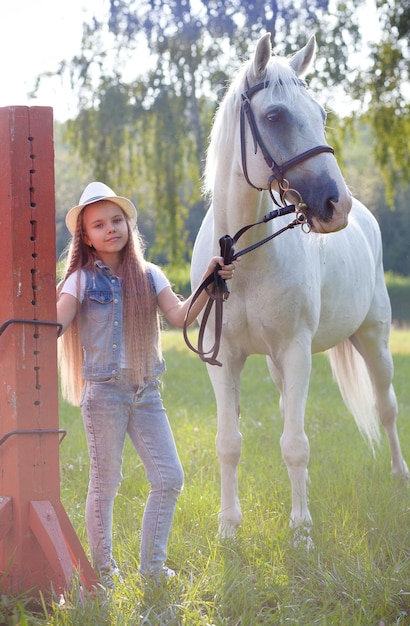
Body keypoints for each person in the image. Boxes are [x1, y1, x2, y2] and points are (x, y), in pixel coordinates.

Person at [56, 182, 235, 586]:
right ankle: (104, 572)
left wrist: (209, 280)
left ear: (128, 225)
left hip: (146, 392)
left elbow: (181, 316)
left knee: (169, 477)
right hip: (104, 393)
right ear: (85, 236)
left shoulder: (150, 275)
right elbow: (56, 322)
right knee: (105, 484)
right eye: (99, 225)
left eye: (116, 220)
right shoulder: (80, 282)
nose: (110, 229)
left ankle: (152, 569)